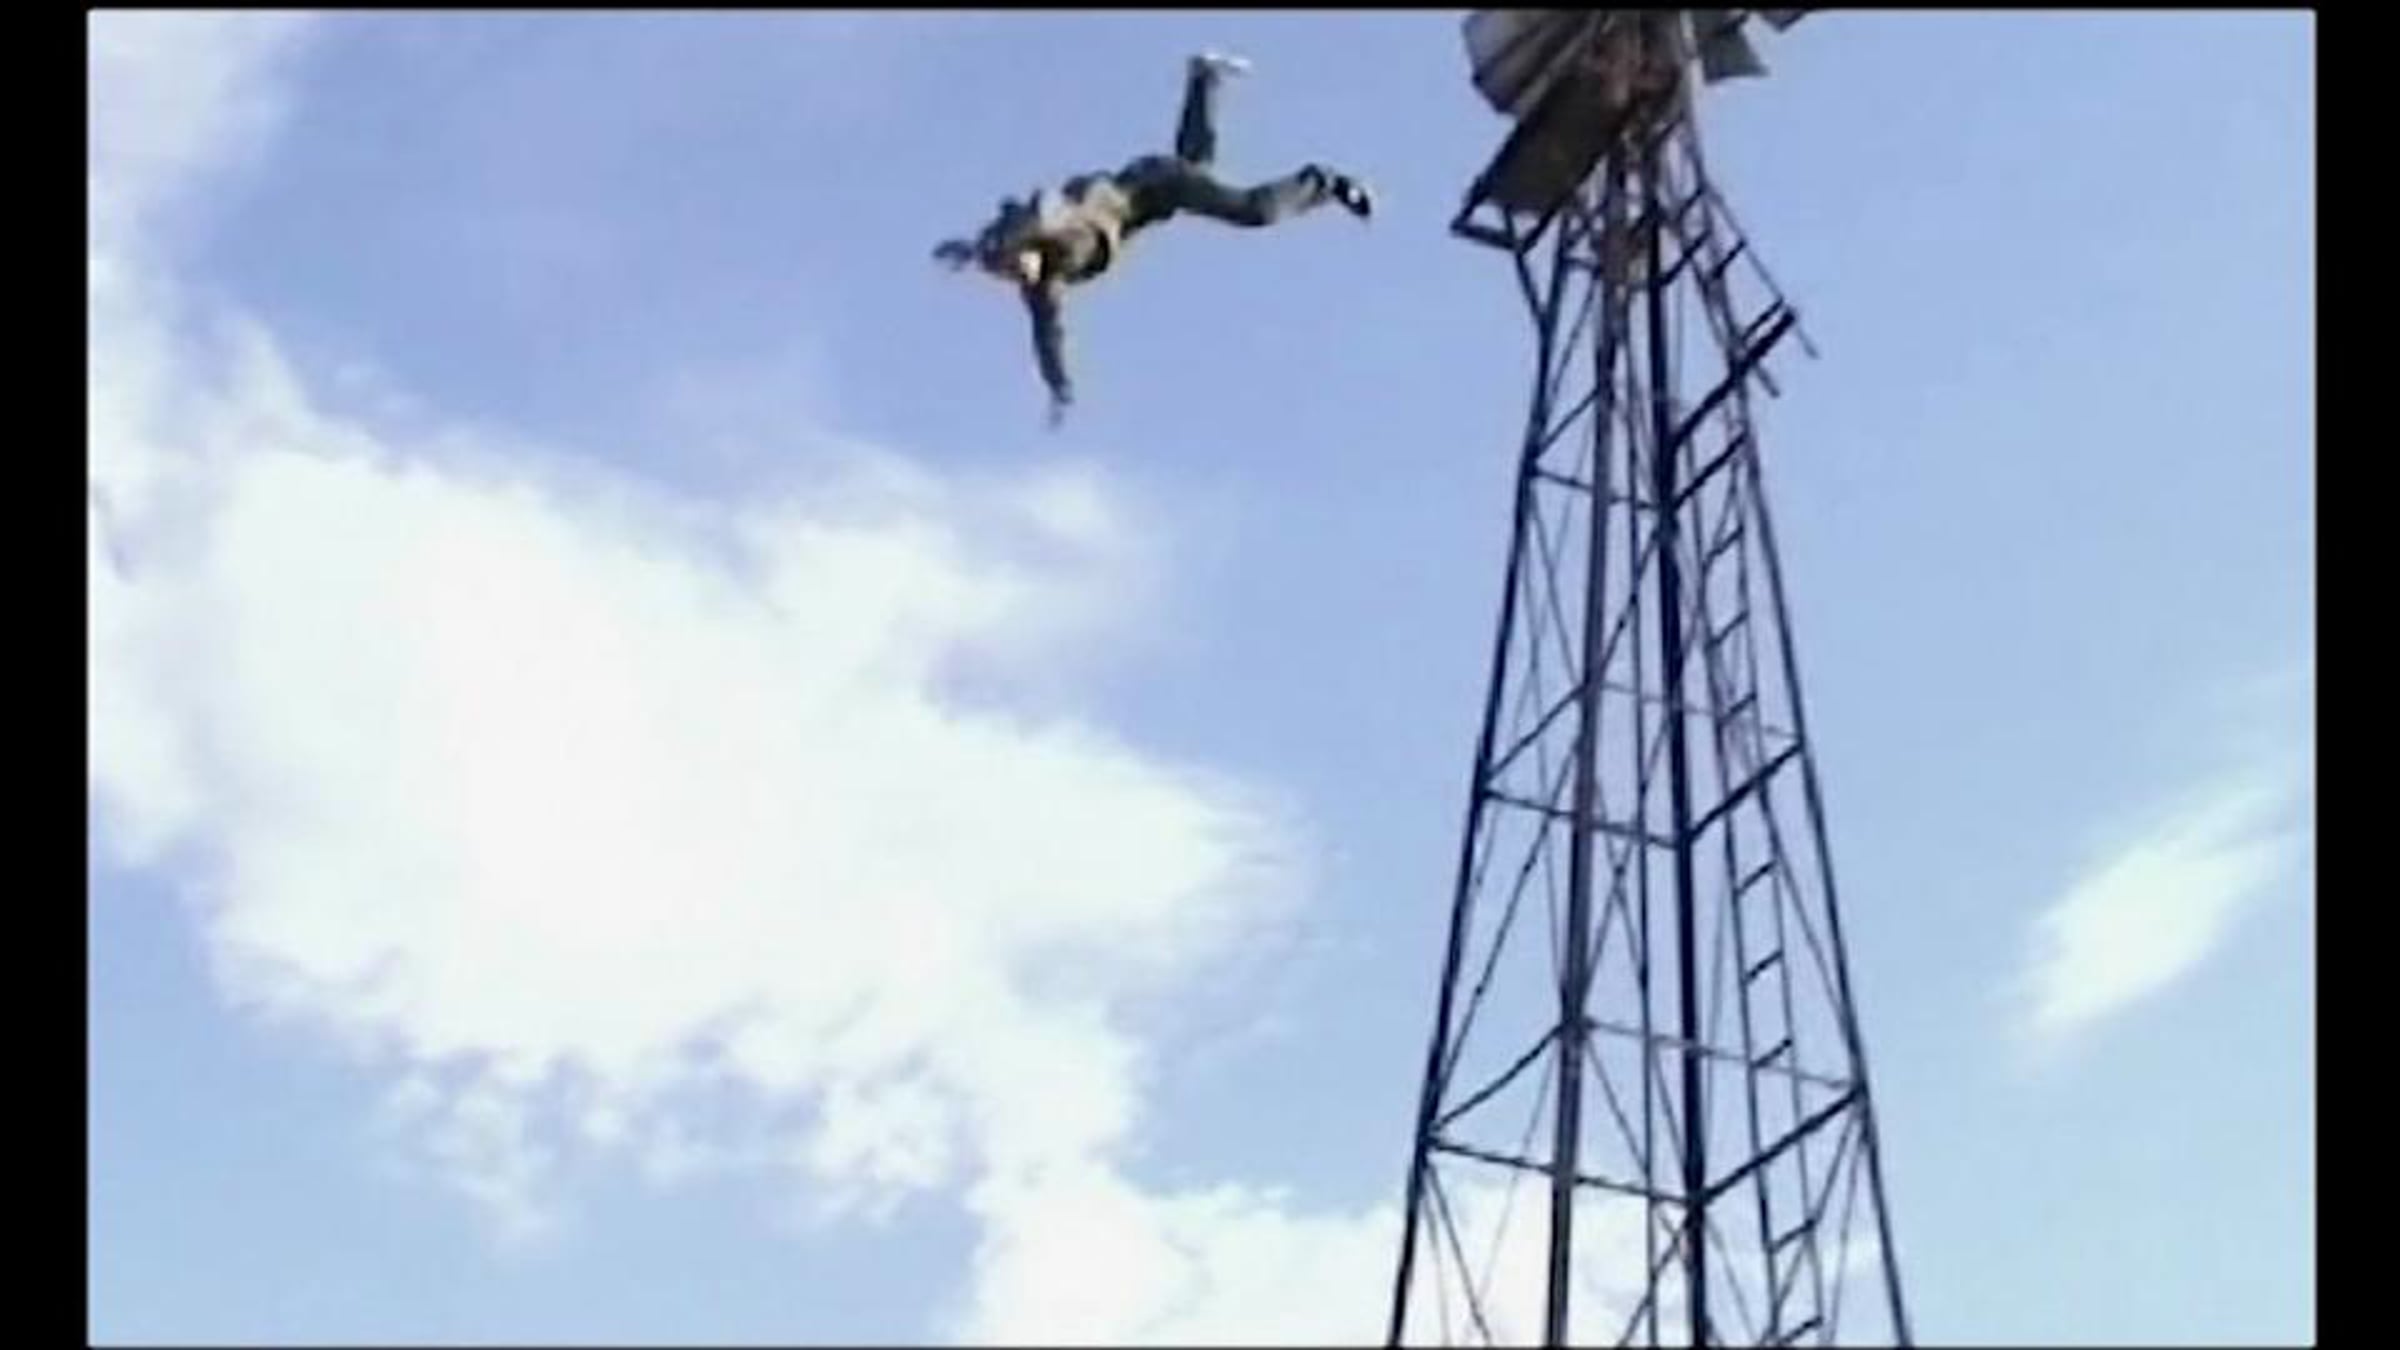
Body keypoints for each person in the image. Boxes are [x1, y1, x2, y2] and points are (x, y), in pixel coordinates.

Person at [934, 52, 1377, 426]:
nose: (1025, 273)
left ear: (1024, 245)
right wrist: (1059, 387)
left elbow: (1036, 210)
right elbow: (1048, 335)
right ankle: (1204, 76)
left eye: (1020, 263)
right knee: (1198, 163)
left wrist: (977, 246)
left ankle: (1323, 181)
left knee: (1253, 211)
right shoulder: (1045, 286)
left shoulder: (1054, 219)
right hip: (1158, 196)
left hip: (1154, 182)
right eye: (1017, 277)